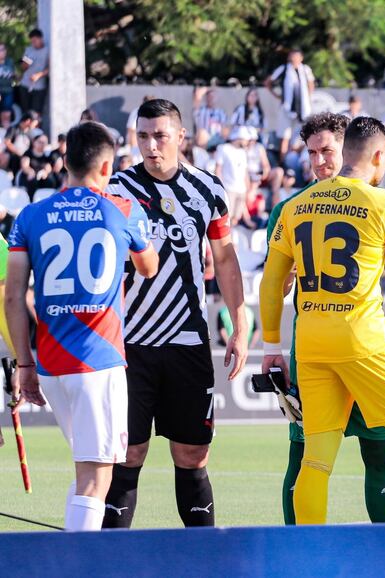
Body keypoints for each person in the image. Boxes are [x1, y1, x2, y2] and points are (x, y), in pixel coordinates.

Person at [260, 116, 385, 525]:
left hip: (311, 344)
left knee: (315, 458)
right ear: (378, 156)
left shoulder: (294, 206)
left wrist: (271, 347)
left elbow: (270, 285)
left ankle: (308, 556)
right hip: (363, 341)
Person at [4, 121, 159, 531]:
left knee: (86, 471)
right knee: (97, 479)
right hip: (98, 362)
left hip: (51, 365)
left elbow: (13, 296)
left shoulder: (31, 215)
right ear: (107, 167)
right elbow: (149, 266)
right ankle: (78, 568)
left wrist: (25, 365)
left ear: (64, 163)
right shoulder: (122, 209)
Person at [102, 99, 248, 529]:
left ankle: (203, 558)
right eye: (142, 136)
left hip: (188, 341)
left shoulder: (209, 189)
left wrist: (240, 324)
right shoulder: (117, 188)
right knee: (129, 452)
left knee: (192, 453)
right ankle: (111, 558)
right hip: (130, 343)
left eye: (160, 135)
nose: (150, 146)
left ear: (181, 137)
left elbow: (224, 258)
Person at [266, 49, 315, 161]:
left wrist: (308, 97)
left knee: (304, 136)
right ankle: (283, 163)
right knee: (285, 137)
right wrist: (278, 96)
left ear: (301, 58)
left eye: (297, 56)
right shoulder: (283, 69)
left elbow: (311, 84)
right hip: (287, 108)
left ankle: (301, 162)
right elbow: (269, 82)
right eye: (292, 56)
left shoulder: (306, 70)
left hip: (303, 109)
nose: (294, 59)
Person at [215, 126, 250, 226]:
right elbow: (218, 169)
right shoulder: (223, 148)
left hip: (241, 190)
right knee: (226, 219)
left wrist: (247, 189)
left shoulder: (243, 152)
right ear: (240, 138)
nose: (247, 142)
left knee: (236, 219)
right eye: (246, 140)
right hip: (229, 189)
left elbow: (245, 172)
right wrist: (220, 188)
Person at [18, 29, 48, 115]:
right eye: (32, 42)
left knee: (36, 113)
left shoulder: (47, 50)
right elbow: (23, 67)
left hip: (39, 87)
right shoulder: (28, 49)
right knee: (25, 112)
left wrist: (39, 75)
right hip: (25, 85)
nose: (33, 43)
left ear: (41, 39)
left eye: (35, 41)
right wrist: (25, 63)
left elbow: (50, 68)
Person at [0, 44, 15, 113]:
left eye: (3, 50)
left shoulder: (10, 61)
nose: (1, 52)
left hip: (8, 91)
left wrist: (13, 75)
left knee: (7, 113)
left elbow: (15, 75)